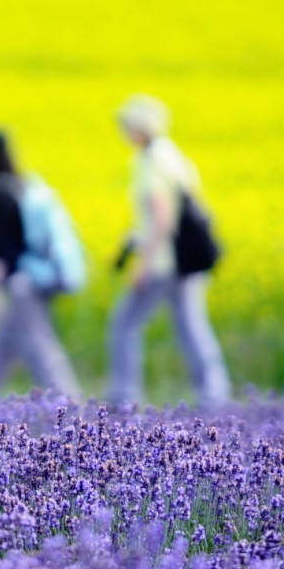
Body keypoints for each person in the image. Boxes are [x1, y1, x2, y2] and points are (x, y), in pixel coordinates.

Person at [106, 94, 231, 409]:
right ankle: (214, 396)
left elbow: (161, 217)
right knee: (191, 327)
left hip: (163, 262)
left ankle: (124, 397)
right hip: (185, 261)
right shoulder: (174, 156)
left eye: (127, 126)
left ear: (139, 128)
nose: (124, 132)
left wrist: (143, 263)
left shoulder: (150, 161)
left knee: (124, 324)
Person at [0, 130, 83, 403]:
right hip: (39, 276)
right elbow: (18, 231)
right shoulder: (22, 185)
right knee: (1, 347)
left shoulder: (2, 190)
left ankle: (67, 401)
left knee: (38, 343)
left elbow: (1, 247)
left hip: (23, 283)